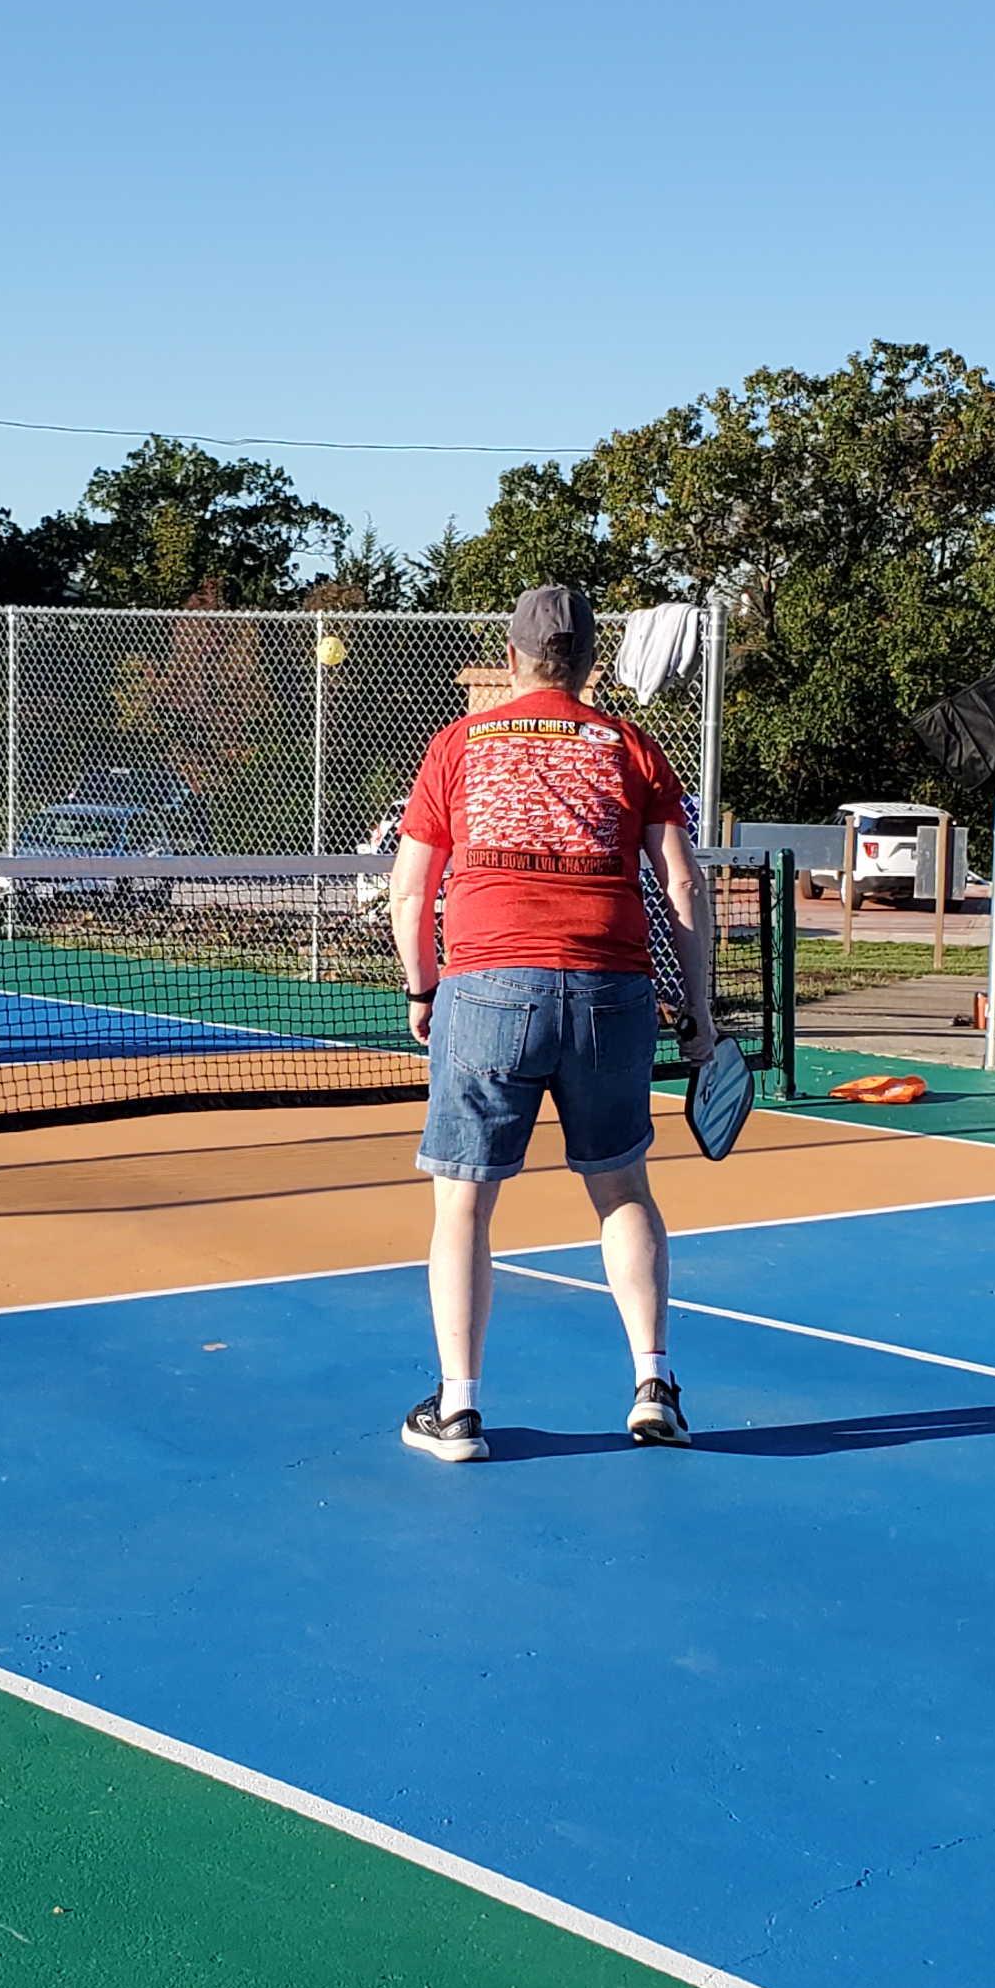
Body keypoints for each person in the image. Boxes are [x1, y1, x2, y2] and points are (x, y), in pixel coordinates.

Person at [389, 583, 710, 1462]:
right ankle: (655, 1386)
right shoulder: (632, 746)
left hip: (489, 987)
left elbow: (412, 888)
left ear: (512, 657)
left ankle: (458, 1411)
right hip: (613, 990)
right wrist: (704, 1016)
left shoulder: (457, 744)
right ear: (589, 659)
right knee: (624, 1191)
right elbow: (683, 886)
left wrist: (423, 990)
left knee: (463, 1205)